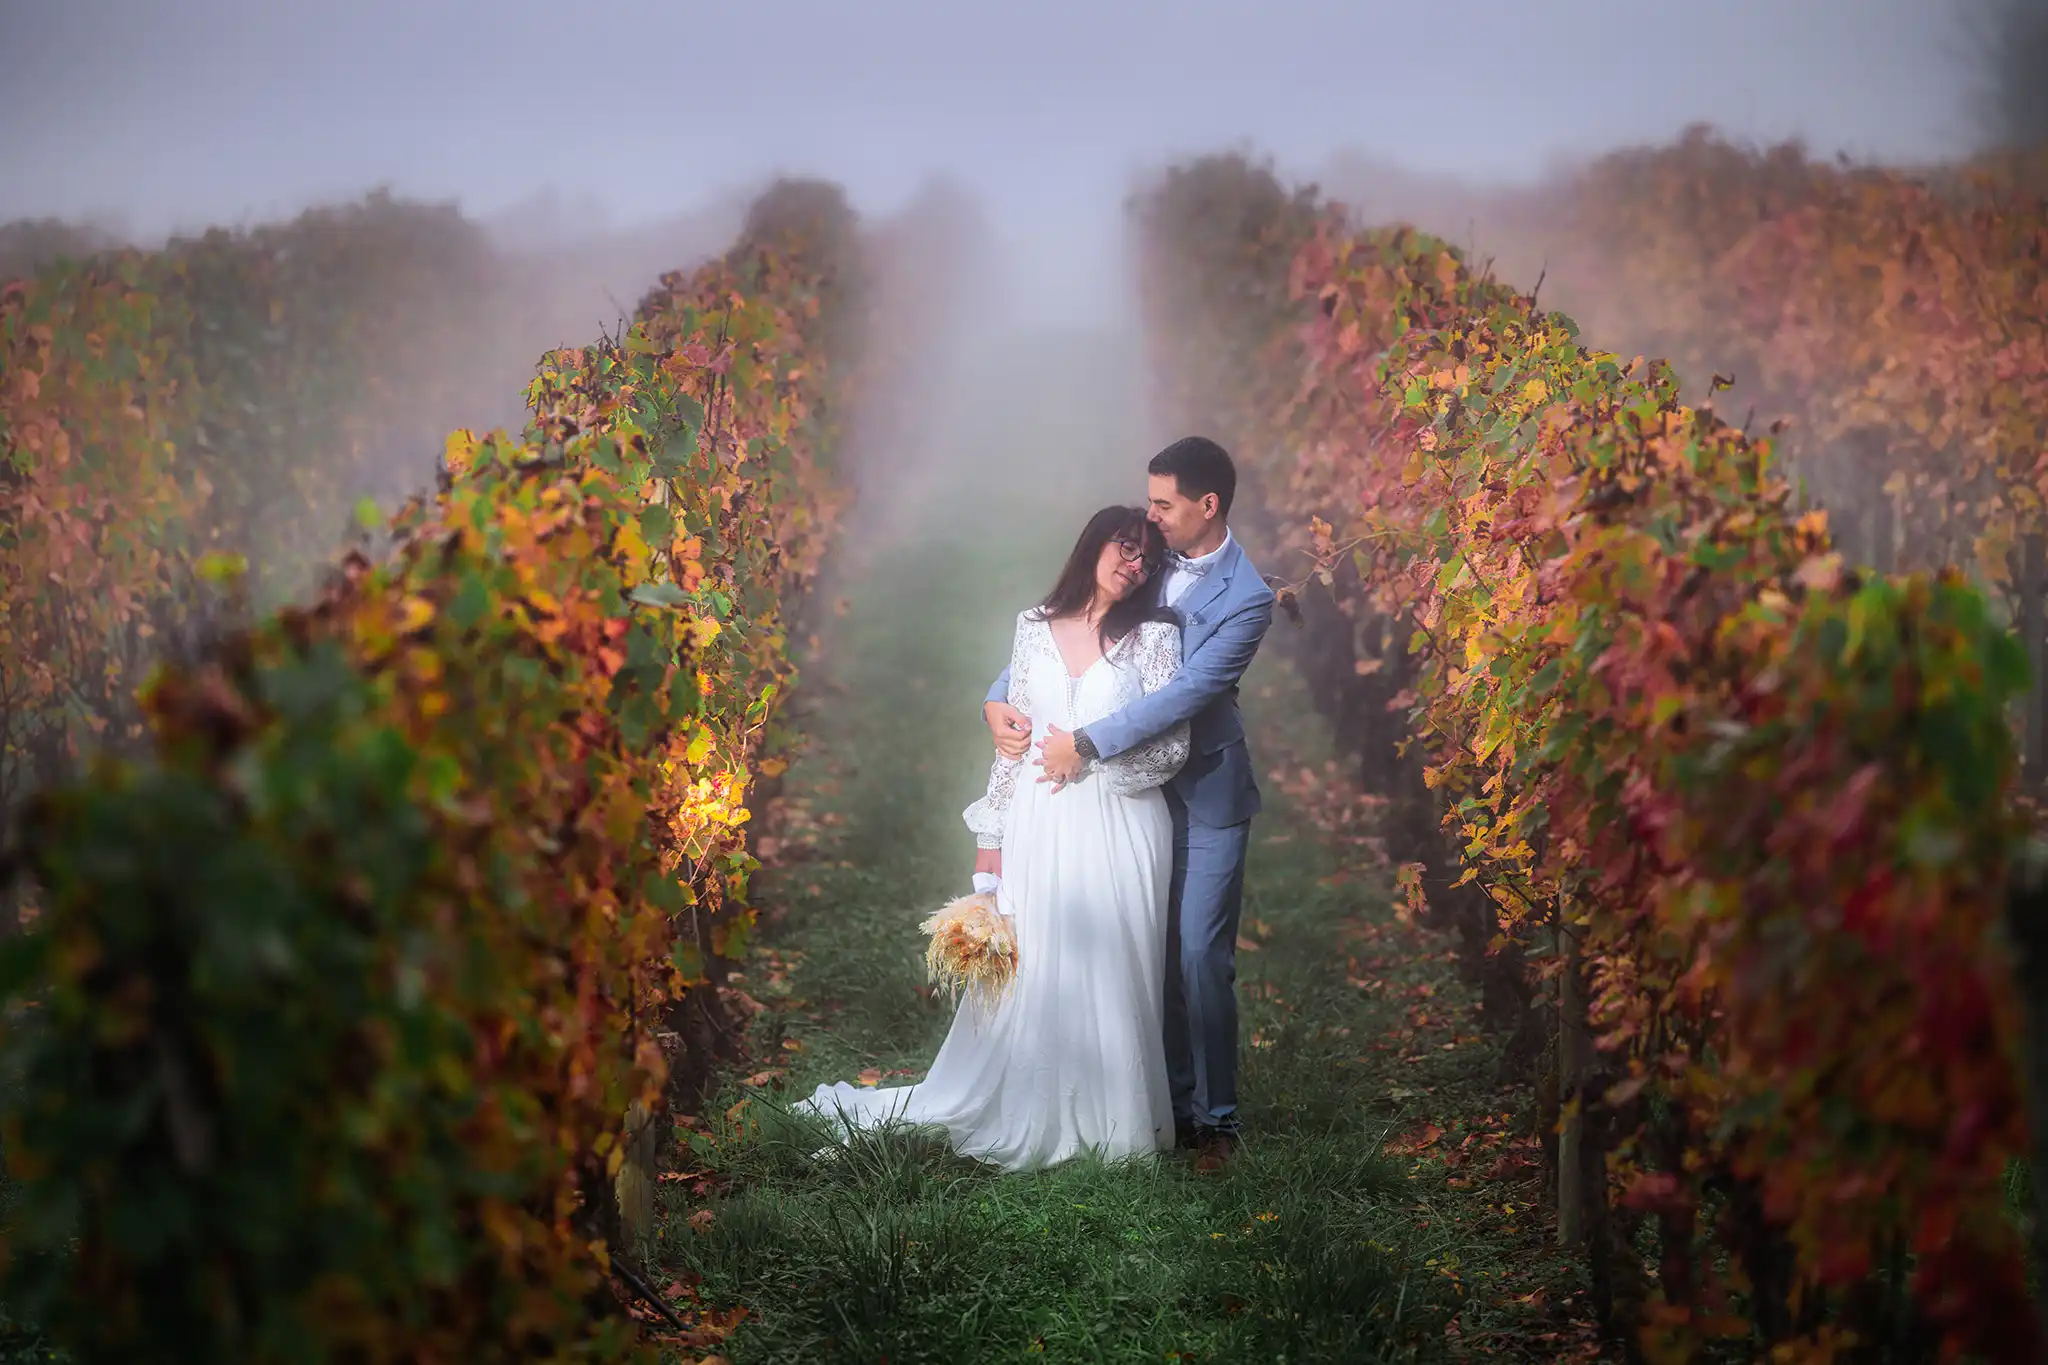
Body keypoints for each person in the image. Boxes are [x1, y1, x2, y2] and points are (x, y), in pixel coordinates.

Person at [794, 506, 1192, 1170]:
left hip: (1122, 818)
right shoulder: (1032, 627)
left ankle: (1114, 1122)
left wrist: (1086, 756)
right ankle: (1031, 1100)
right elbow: (1013, 742)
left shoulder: (1155, 635)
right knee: (1038, 958)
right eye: (1126, 548)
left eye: (1148, 559)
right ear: (1093, 544)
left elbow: (1170, 751)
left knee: (1109, 962)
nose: (1135, 566)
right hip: (1039, 815)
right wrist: (992, 838)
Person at [987, 436, 1274, 1174]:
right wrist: (993, 701)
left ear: (1206, 506)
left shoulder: (1247, 599)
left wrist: (1083, 743)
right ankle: (1162, 1102)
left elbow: (1185, 694)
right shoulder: (1148, 550)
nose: (1150, 515)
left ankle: (1217, 1123)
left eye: (1164, 503)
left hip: (1201, 787)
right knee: (1140, 947)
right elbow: (1061, 634)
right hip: (1121, 798)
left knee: (1197, 953)